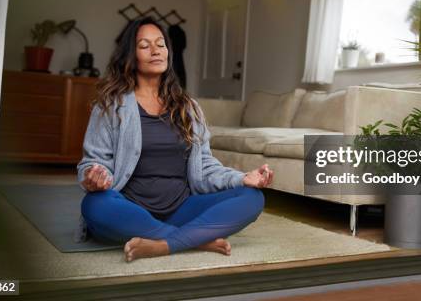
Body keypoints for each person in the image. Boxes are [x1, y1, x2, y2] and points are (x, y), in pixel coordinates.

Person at [76, 16, 273, 262]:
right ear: (131, 55)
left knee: (252, 198)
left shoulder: (188, 107)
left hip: (181, 209)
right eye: (144, 45)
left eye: (160, 44)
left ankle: (163, 244)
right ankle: (197, 240)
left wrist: (242, 178)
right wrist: (95, 177)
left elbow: (206, 166)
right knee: (94, 204)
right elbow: (92, 163)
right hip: (130, 209)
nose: (155, 50)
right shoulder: (110, 106)